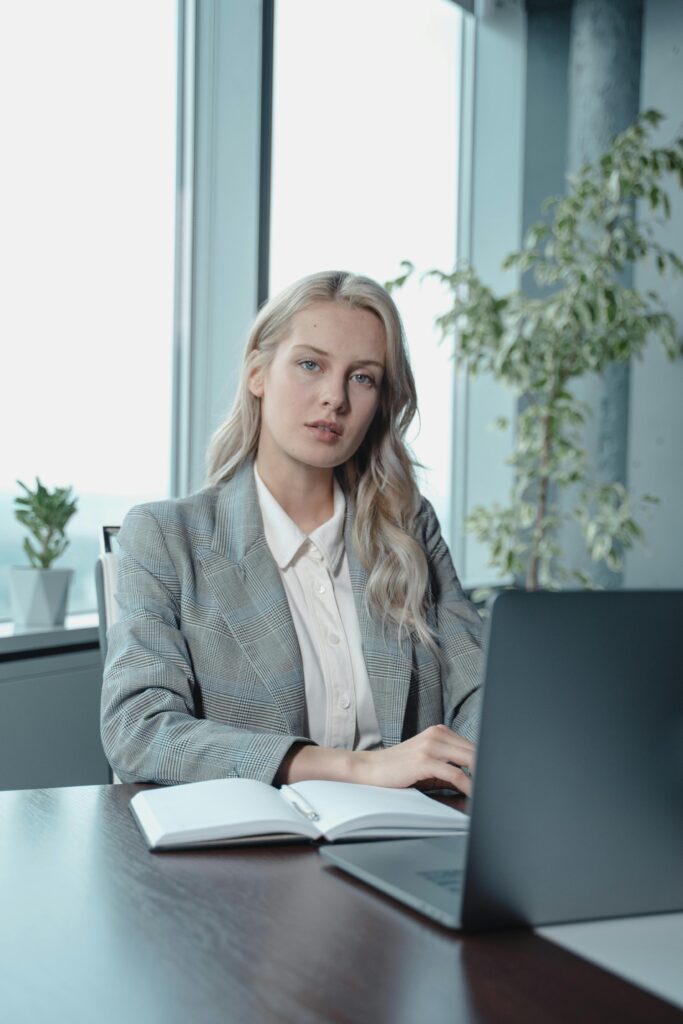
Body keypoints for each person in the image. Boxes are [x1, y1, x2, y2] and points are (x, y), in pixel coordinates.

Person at [101, 271, 483, 794]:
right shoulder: (167, 538)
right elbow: (138, 731)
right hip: (253, 857)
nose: (335, 398)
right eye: (310, 365)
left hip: (407, 839)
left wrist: (469, 768)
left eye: (363, 377)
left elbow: (481, 690)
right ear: (258, 372)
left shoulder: (409, 528)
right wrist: (357, 767)